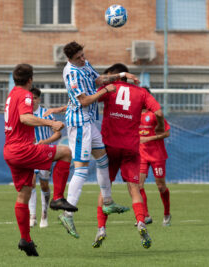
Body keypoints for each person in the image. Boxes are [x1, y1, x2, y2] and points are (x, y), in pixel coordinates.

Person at [44, 41, 139, 239]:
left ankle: (108, 201)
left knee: (103, 160)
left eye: (82, 54)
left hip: (89, 123)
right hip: (79, 124)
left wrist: (122, 76)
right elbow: (84, 100)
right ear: (70, 59)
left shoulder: (85, 65)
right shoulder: (71, 73)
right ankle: (67, 215)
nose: (83, 58)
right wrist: (106, 91)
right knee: (81, 168)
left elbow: (99, 79)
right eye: (78, 57)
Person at [3, 64, 77, 257]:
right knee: (66, 153)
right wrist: (51, 122)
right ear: (30, 80)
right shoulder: (26, 95)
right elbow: (26, 118)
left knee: (24, 194)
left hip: (11, 151)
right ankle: (58, 198)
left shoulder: (11, 95)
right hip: (22, 149)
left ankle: (26, 240)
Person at [92, 63, 164, 249]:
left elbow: (91, 96)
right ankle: (140, 222)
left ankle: (101, 228)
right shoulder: (141, 92)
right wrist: (160, 127)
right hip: (131, 147)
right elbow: (159, 112)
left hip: (109, 146)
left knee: (105, 188)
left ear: (115, 76)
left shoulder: (109, 89)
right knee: (134, 188)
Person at [28, 87, 62, 228]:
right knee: (30, 182)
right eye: (30, 98)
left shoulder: (46, 113)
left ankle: (44, 214)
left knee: (44, 184)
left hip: (43, 152)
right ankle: (33, 216)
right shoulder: (25, 114)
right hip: (29, 152)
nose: (33, 101)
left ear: (39, 99)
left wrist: (45, 142)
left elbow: (58, 133)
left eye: (35, 98)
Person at [138, 87, 171, 227]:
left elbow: (166, 133)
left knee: (161, 186)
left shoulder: (155, 114)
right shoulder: (133, 114)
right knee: (138, 185)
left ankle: (167, 214)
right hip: (141, 155)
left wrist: (149, 138)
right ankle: (146, 215)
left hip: (157, 155)